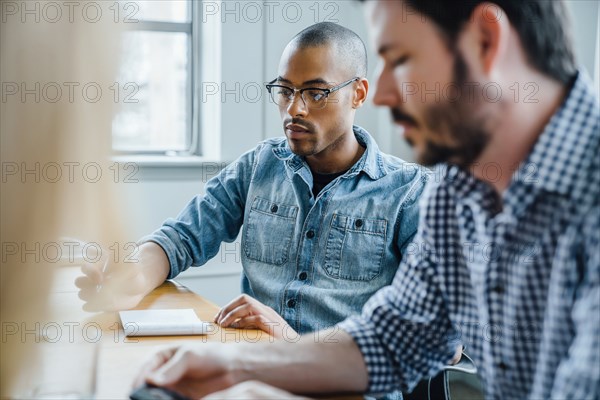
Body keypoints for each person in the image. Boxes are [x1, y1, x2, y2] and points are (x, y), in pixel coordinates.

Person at [134, 1, 599, 399]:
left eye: (400, 61)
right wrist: (235, 366)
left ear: (485, 41)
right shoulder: (460, 193)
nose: (384, 96)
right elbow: (391, 340)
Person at [76, 21, 428, 340]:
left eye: (315, 93)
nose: (294, 109)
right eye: (285, 90)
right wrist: (134, 276)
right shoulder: (260, 165)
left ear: (359, 94)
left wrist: (292, 340)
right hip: (256, 369)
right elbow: (182, 237)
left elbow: (432, 337)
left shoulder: (411, 192)